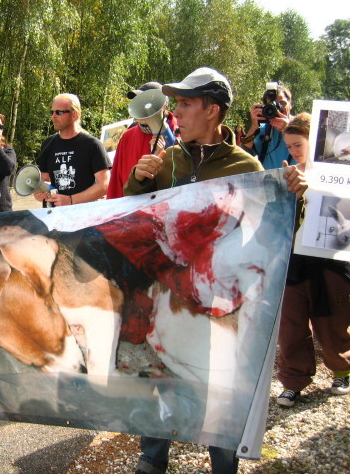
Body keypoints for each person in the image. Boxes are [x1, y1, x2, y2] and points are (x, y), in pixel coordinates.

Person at [124, 66, 306, 474]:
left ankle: (224, 465)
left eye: (186, 103)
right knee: (160, 385)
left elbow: (275, 235)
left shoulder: (246, 168)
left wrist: (297, 200)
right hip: (164, 303)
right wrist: (137, 182)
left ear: (212, 110)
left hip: (217, 312)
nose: (178, 112)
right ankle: (151, 462)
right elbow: (130, 217)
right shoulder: (166, 160)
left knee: (218, 395)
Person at [276, 113, 350, 407]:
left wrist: (314, 189)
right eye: (290, 147)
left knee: (332, 323)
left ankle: (342, 369)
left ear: (314, 140)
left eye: (298, 145)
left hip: (331, 262)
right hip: (294, 263)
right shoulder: (289, 174)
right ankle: (293, 380)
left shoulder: (340, 173)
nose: (294, 152)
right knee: (291, 327)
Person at [34, 93, 111, 207]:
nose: (54, 116)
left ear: (75, 114)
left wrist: (71, 200)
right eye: (52, 112)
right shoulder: (47, 144)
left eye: (59, 112)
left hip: (83, 216)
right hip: (53, 216)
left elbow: (104, 185)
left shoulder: (92, 144)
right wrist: (39, 192)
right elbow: (45, 180)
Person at [107, 82, 178, 199]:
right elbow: (116, 182)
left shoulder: (181, 132)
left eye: (147, 102)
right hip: (130, 209)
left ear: (163, 106)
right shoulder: (128, 136)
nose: (142, 107)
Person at [241, 83, 295, 169]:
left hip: (296, 180)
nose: (278, 109)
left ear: (291, 104)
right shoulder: (264, 130)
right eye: (272, 105)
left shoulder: (303, 126)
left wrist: (289, 129)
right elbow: (243, 157)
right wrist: (254, 127)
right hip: (268, 180)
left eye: (282, 103)